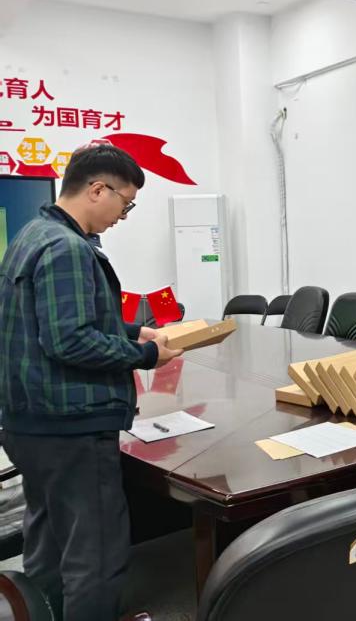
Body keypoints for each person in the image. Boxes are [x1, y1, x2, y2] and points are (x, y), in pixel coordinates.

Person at [0, 145, 182, 621]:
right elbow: (71, 341)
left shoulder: (33, 234)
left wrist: (132, 331)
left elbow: (58, 319)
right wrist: (147, 354)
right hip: (71, 427)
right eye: (126, 203)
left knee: (49, 537)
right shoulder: (67, 248)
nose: (123, 216)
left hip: (31, 423)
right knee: (94, 553)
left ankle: (46, 612)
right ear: (98, 189)